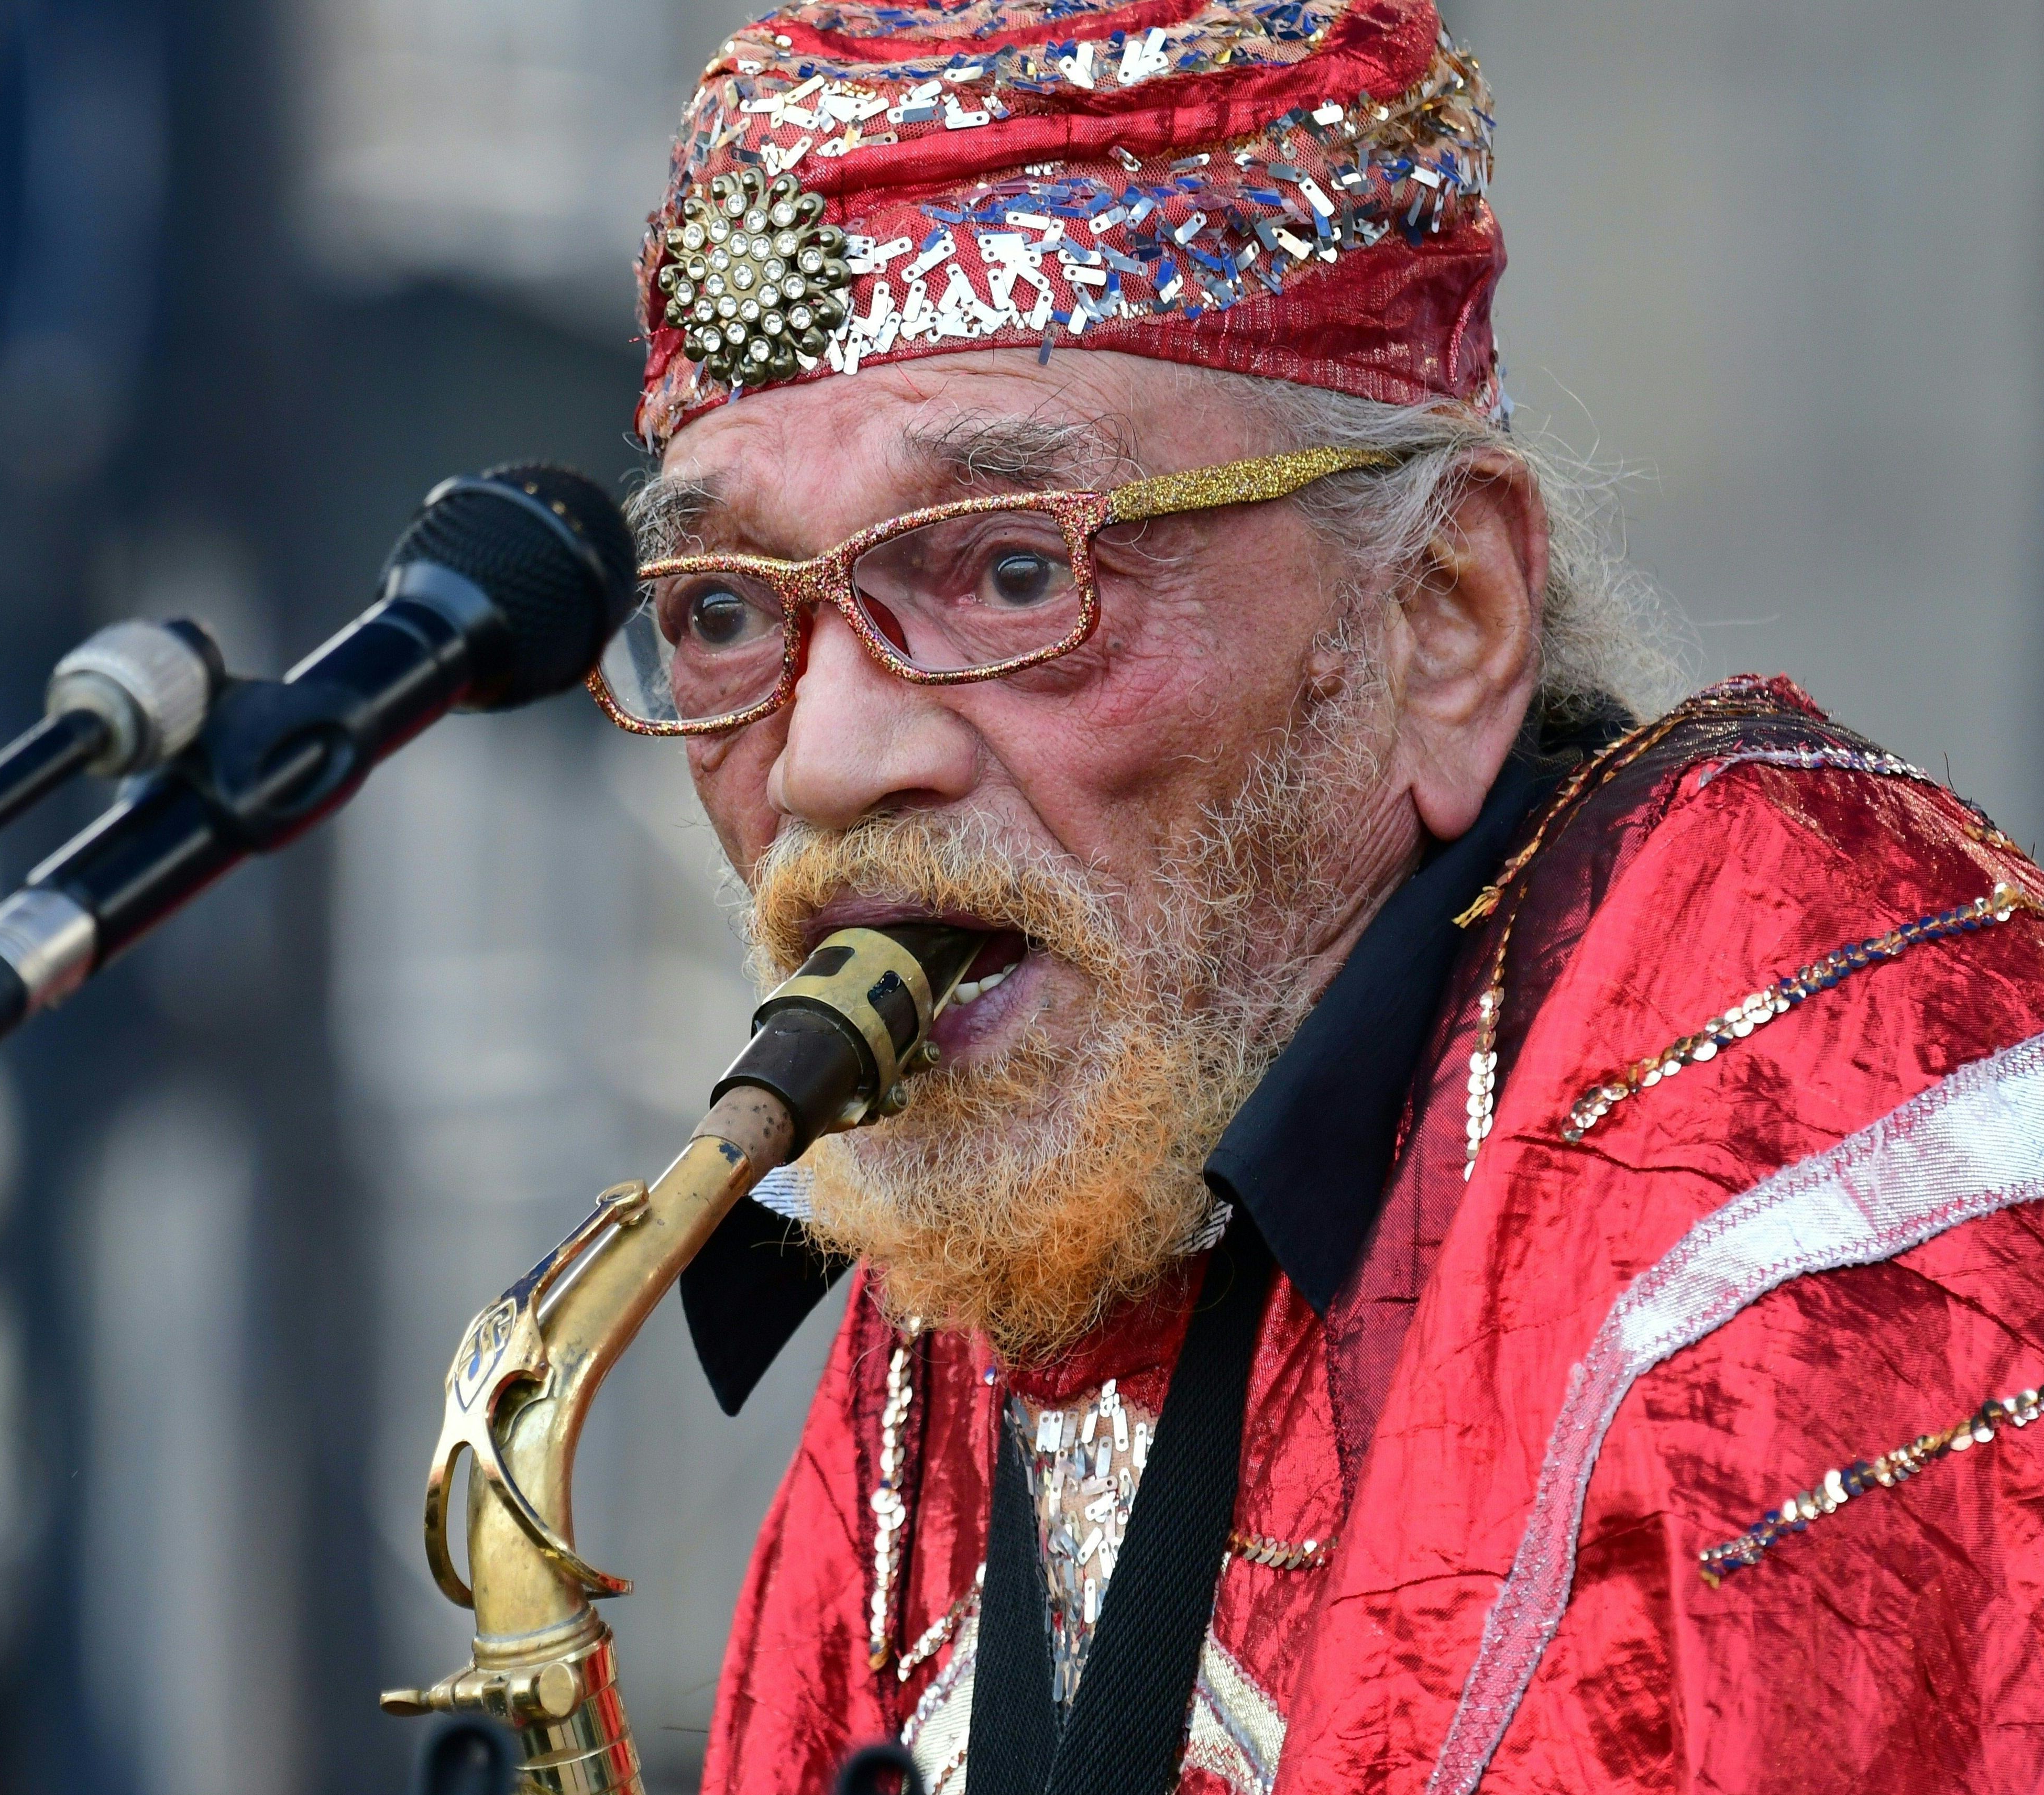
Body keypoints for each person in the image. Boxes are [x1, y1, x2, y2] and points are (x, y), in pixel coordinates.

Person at [594, 2, 2044, 1789]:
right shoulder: (1047, 1167)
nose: (819, 760)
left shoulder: (1853, 1154)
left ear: (1443, 621)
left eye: (1009, 569)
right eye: (722, 610)